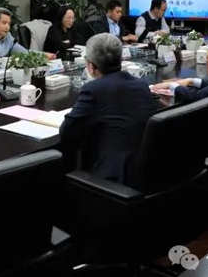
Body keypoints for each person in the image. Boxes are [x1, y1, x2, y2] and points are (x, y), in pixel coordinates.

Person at [60, 33, 156, 187]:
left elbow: (67, 132)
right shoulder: (141, 85)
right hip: (143, 172)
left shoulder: (93, 89)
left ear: (90, 66)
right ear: (121, 59)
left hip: (110, 179)